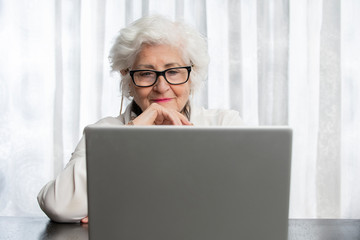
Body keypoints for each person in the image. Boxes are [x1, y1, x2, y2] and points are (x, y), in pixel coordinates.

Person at [37, 15, 243, 223]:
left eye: (173, 72)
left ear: (192, 74)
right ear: (128, 79)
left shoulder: (225, 124)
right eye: (146, 73)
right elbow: (59, 205)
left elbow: (245, 202)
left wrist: (125, 209)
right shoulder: (105, 133)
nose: (161, 87)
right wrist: (126, 136)